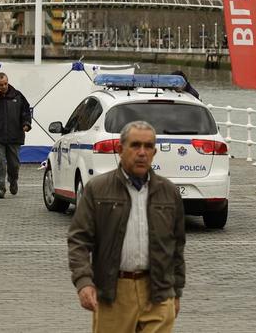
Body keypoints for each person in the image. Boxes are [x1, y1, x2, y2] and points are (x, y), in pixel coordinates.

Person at [67, 121, 185, 333]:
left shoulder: (169, 192)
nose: (142, 153)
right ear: (120, 150)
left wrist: (176, 292)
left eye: (148, 146)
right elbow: (79, 240)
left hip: (158, 292)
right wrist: (84, 281)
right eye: (135, 145)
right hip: (114, 293)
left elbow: (176, 247)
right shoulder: (98, 189)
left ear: (154, 152)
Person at [0, 72, 32, 199]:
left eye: (5, 84)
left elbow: (26, 111)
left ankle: (13, 180)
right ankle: (0, 188)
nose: (4, 86)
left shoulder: (17, 96)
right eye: (1, 85)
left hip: (15, 135)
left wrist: (26, 123)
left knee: (14, 164)